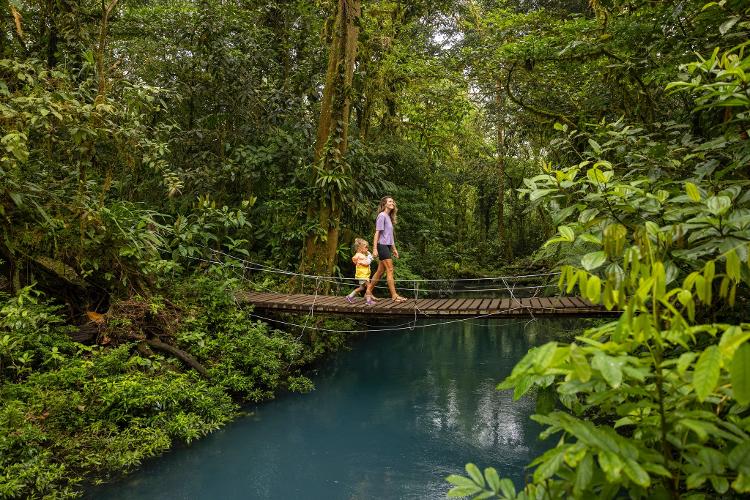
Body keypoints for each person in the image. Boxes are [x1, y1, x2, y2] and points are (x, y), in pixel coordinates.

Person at [365, 196, 407, 305]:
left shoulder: (389, 217)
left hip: (387, 246)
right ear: (384, 204)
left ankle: (368, 291)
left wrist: (394, 249)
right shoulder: (382, 216)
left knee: (380, 271)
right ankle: (394, 296)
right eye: (390, 201)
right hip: (382, 246)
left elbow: (390, 236)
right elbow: (377, 233)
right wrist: (374, 248)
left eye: (393, 201)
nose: (392, 203)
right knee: (390, 270)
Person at [345, 238, 373, 304]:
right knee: (369, 286)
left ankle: (350, 296)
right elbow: (367, 263)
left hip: (362, 274)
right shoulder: (360, 256)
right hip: (363, 275)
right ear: (360, 248)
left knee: (362, 288)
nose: (367, 249)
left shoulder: (360, 255)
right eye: (366, 247)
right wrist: (369, 257)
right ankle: (369, 301)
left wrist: (368, 256)